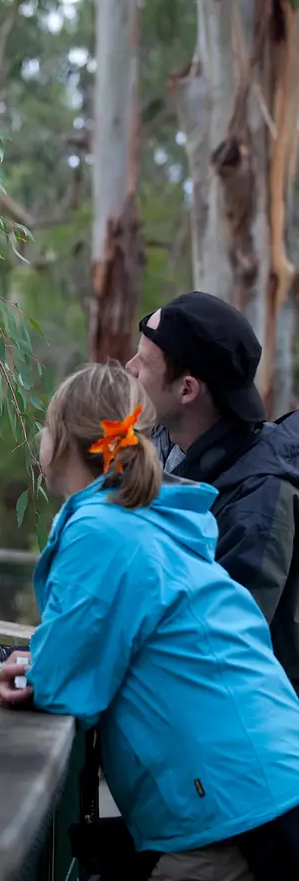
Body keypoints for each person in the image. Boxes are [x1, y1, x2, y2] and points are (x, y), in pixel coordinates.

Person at [0, 363, 299, 881]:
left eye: (44, 430)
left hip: (224, 818)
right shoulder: (155, 523)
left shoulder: (102, 529)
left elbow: (73, 681)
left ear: (64, 442)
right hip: (277, 790)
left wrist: (29, 671)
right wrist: (46, 660)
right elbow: (105, 639)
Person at [125, 291, 299, 691]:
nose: (131, 369)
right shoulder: (172, 449)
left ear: (187, 390)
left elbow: (211, 651)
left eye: (145, 363)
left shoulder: (258, 503)